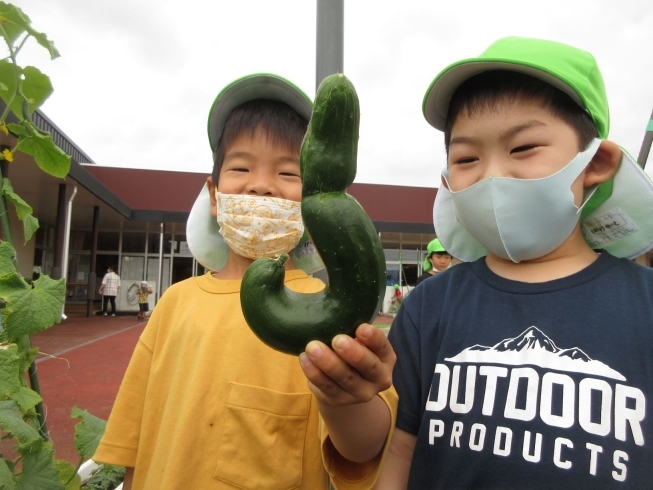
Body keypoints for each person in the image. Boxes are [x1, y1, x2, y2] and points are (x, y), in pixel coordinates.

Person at [93, 74, 397, 489]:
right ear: (214, 196)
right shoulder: (174, 302)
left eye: (289, 173)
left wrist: (347, 400)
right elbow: (134, 441)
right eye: (240, 167)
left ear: (311, 197)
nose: (261, 185)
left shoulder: (335, 322)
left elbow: (364, 449)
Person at [376, 37, 653, 489]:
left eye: (523, 148)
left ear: (596, 162)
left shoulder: (645, 305)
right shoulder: (430, 306)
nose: (492, 177)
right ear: (446, 180)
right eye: (467, 158)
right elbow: (401, 449)